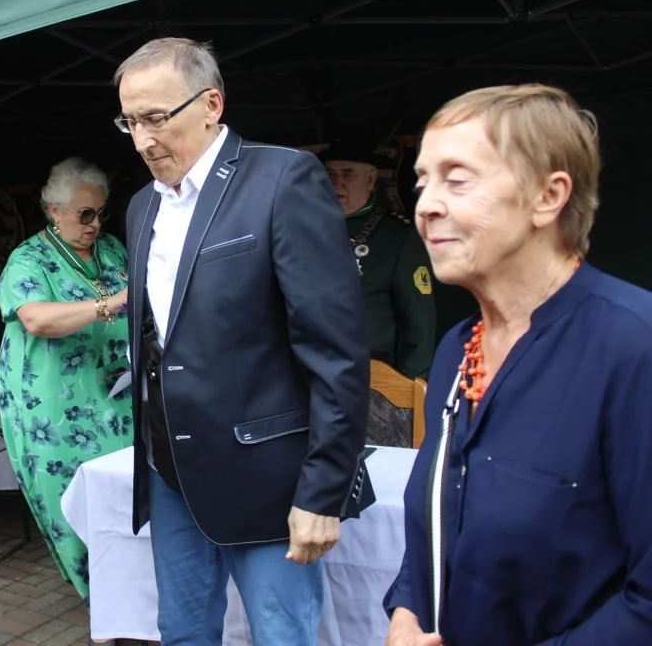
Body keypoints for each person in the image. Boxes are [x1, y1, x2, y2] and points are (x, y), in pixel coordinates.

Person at [116, 37, 374, 646]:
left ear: (211, 104)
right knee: (181, 632)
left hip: (267, 477)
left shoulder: (282, 178)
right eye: (129, 121)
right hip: (169, 469)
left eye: (157, 118)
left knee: (281, 636)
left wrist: (324, 490)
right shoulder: (138, 208)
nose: (143, 140)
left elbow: (335, 351)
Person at [384, 84, 652, 645]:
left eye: (458, 180)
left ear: (548, 197)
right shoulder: (459, 349)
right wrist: (409, 612)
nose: (427, 205)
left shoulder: (631, 347)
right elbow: (437, 522)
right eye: (423, 181)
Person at [0, 157, 133, 608]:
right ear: (54, 210)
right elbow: (35, 319)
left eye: (101, 213)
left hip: (118, 395)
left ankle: (131, 595)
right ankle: (104, 603)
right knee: (74, 502)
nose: (95, 225)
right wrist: (110, 305)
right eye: (84, 214)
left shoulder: (112, 249)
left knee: (124, 498)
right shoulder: (28, 259)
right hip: (53, 407)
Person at [322, 145, 436, 447]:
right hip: (308, 375)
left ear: (371, 180)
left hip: (375, 381)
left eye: (348, 174)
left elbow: (419, 320)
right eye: (331, 174)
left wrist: (412, 390)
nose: (337, 182)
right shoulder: (302, 225)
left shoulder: (396, 235)